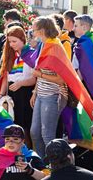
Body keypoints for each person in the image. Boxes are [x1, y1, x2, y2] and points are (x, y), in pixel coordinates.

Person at [29, 17, 68, 157]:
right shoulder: (45, 45)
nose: (32, 32)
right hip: (41, 94)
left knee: (47, 135)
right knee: (34, 132)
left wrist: (39, 74)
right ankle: (42, 164)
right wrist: (35, 92)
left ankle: (57, 166)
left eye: (34, 29)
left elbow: (61, 79)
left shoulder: (55, 47)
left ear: (42, 30)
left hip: (52, 95)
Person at [0, 26, 36, 147]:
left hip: (25, 94)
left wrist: (20, 83)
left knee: (26, 125)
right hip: (12, 95)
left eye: (14, 41)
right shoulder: (11, 55)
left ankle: (28, 151)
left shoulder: (31, 54)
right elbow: (6, 77)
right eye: (9, 41)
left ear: (22, 39)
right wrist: (0, 95)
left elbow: (35, 79)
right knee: (14, 124)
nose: (11, 44)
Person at [72, 14, 93, 102]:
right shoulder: (88, 40)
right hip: (89, 82)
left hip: (85, 84)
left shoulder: (84, 43)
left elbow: (82, 68)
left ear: (84, 27)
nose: (73, 29)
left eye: (76, 26)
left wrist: (75, 86)